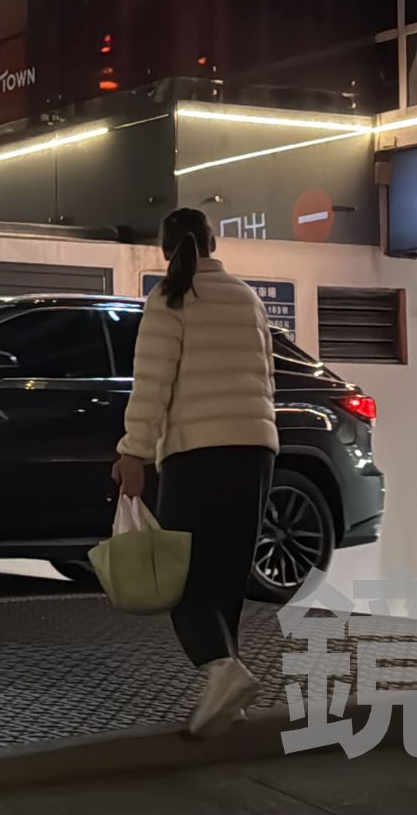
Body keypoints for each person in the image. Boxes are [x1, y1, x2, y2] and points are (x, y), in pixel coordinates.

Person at [112, 207, 278, 737]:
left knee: (183, 583)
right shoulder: (247, 298)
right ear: (212, 242)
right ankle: (230, 694)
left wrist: (133, 452)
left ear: (165, 250)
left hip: (196, 454)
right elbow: (267, 379)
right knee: (226, 579)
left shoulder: (170, 299)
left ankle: (224, 672)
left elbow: (152, 385)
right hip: (255, 452)